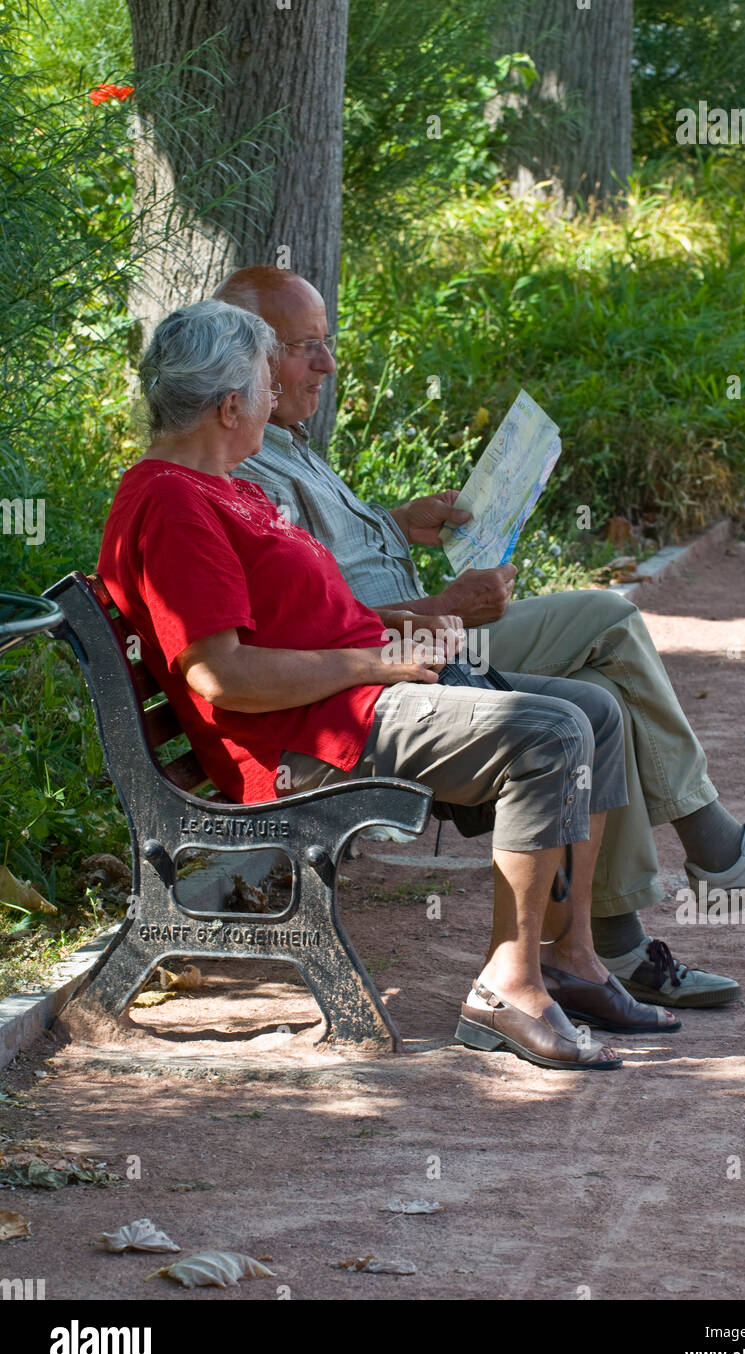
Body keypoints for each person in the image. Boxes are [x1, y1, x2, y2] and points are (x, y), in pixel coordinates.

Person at [213, 265, 745, 1013]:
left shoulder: (283, 438)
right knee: (609, 620)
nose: (326, 364)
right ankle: (720, 850)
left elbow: (322, 567)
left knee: (605, 698)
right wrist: (447, 605)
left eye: (327, 343)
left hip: (425, 634)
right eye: (305, 348)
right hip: (414, 651)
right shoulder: (249, 456)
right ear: (251, 363)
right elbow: (313, 618)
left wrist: (395, 522)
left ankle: (611, 940)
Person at [98, 298, 684, 1072]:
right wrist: (376, 663)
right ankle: (510, 986)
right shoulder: (174, 504)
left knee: (594, 711)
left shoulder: (224, 484)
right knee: (550, 734)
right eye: (266, 389)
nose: (278, 401)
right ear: (230, 404)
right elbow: (222, 675)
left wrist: (411, 624)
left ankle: (571, 956)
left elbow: (296, 621)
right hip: (299, 745)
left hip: (345, 702)